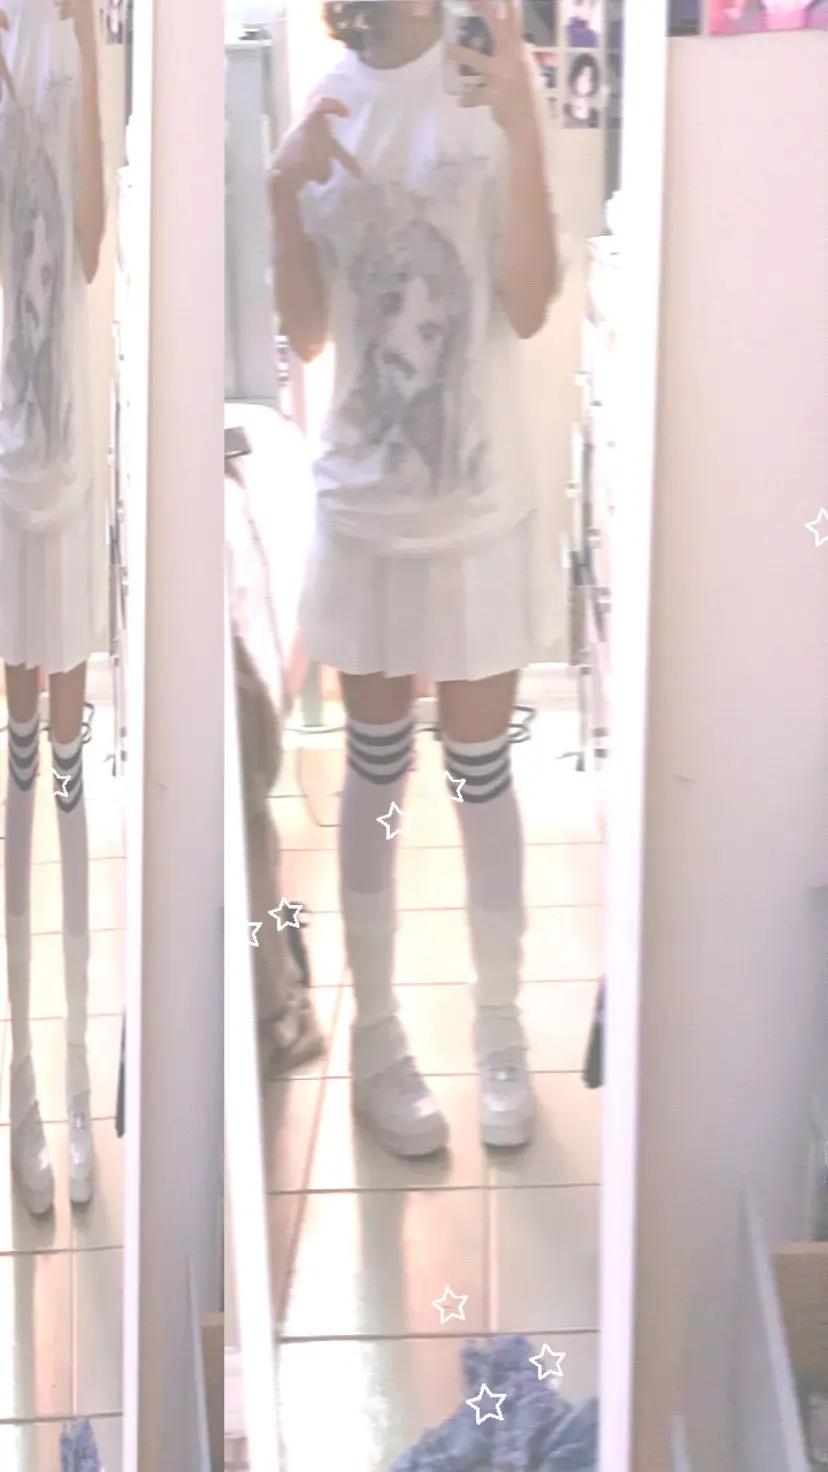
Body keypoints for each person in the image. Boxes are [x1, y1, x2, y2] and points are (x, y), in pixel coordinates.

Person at [269, 0, 562, 1159]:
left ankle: (499, 1033)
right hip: (365, 511)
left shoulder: (491, 82)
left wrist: (524, 121)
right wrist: (280, 195)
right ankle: (379, 1039)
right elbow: (305, 336)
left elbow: (528, 305)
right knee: (378, 774)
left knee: (482, 773)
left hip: (479, 506)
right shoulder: (328, 105)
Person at [0, 0, 106, 1215]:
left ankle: (77, 1085)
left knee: (69, 766)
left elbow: (85, 245)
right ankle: (22, 1086)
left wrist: (78, 35)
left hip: (67, 449)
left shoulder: (78, 27)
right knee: (15, 767)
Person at [563, 52, 600, 128]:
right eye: (582, 76)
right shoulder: (563, 113)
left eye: (589, 79)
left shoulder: (597, 118)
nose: (584, 82)